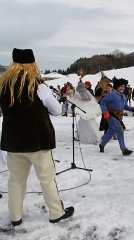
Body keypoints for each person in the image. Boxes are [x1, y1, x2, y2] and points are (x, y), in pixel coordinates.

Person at [0, 48, 74, 226]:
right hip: (38, 141)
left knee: (15, 180)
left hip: (14, 142)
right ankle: (56, 212)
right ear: (32, 64)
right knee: (47, 178)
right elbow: (56, 110)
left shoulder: (3, 86)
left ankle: (15, 216)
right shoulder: (38, 86)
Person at [99, 78, 134, 155]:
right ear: (116, 86)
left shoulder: (123, 96)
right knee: (119, 131)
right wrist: (105, 112)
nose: (123, 88)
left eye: (124, 86)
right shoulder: (112, 95)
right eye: (121, 86)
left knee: (112, 131)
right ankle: (124, 149)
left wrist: (132, 109)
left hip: (119, 116)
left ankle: (102, 144)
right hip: (112, 115)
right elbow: (103, 101)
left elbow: (125, 106)